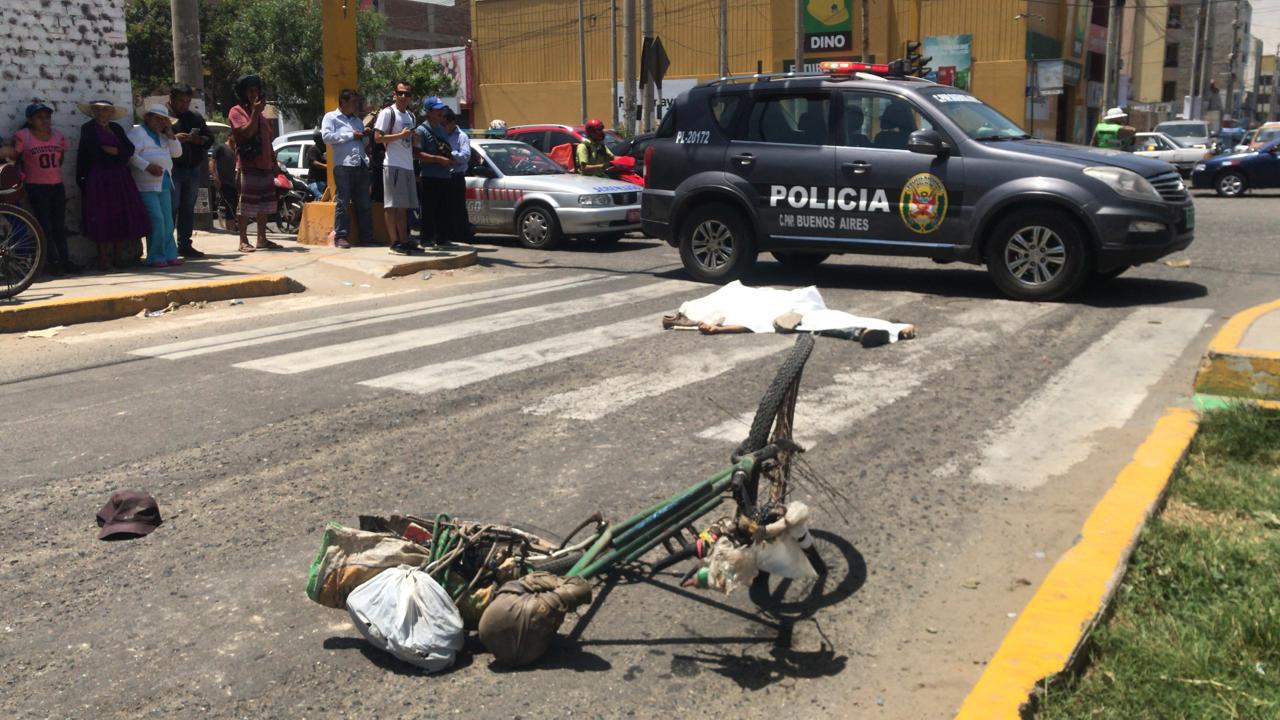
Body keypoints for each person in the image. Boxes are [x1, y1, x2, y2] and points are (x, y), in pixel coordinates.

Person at [75, 99, 149, 271]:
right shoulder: (88, 129)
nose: (102, 114)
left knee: (120, 214)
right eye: (98, 110)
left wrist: (116, 151)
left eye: (106, 110)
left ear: (111, 113)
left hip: (120, 177)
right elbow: (95, 152)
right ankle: (103, 259)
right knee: (102, 215)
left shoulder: (116, 129)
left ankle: (118, 256)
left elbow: (128, 149)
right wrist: (117, 154)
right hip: (99, 177)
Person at [13, 102, 80, 275]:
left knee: (59, 225)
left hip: (56, 185)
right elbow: (15, 158)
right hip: (36, 186)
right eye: (39, 117)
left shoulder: (57, 135)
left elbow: (60, 159)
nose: (44, 121)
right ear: (30, 120)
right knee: (45, 226)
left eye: (47, 117)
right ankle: (53, 261)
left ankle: (65, 260)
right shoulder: (23, 136)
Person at [228, 74, 284, 253]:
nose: (255, 93)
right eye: (251, 90)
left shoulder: (260, 115)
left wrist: (274, 163)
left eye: (257, 90)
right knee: (246, 204)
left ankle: (262, 239)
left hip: (265, 166)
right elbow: (247, 133)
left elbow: (267, 140)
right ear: (244, 93)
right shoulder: (236, 111)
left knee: (264, 205)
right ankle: (243, 241)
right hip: (248, 165)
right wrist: (255, 112)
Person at [127, 105, 184, 268]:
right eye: (157, 118)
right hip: (145, 185)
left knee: (167, 222)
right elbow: (131, 154)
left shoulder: (164, 136)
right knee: (157, 220)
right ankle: (155, 256)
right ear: (148, 118)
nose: (160, 122)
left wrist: (171, 134)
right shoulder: (137, 133)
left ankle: (170, 254)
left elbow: (177, 153)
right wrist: (148, 166)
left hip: (164, 183)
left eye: (163, 119)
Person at [320, 89, 373, 249]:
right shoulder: (331, 117)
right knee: (343, 202)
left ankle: (367, 237)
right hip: (343, 165)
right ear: (343, 102)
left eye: (357, 102)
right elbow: (326, 137)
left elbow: (362, 144)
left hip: (360, 163)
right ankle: (341, 236)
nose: (356, 105)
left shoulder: (357, 120)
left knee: (363, 202)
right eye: (353, 102)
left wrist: (364, 135)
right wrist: (351, 136)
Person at [374, 81, 420, 256]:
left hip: (407, 165)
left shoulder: (411, 116)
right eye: (400, 93)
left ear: (410, 97)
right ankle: (394, 242)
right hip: (392, 163)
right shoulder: (388, 113)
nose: (403, 97)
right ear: (394, 94)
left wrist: (414, 138)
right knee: (391, 205)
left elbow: (413, 142)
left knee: (403, 207)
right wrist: (400, 135)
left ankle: (404, 240)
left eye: (406, 94)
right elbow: (378, 138)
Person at [168, 84, 213, 258]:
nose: (184, 105)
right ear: (172, 99)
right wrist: (174, 138)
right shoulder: (163, 116)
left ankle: (185, 244)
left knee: (187, 208)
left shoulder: (194, 117)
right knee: (172, 208)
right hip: (173, 169)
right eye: (181, 101)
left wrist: (198, 140)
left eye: (187, 101)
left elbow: (210, 138)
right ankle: (167, 245)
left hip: (192, 168)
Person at [413, 96, 454, 248]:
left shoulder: (442, 129)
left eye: (441, 109)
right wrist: (438, 159)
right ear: (429, 112)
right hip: (430, 177)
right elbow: (416, 154)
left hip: (444, 175)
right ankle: (427, 239)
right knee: (429, 210)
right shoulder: (420, 131)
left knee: (444, 209)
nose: (441, 112)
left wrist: (450, 159)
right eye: (437, 110)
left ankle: (442, 238)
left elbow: (446, 149)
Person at [443, 108, 473, 246]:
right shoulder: (441, 135)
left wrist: (451, 154)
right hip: (443, 177)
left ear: (453, 122)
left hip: (456, 177)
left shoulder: (461, 136)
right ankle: (447, 237)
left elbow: (465, 156)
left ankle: (462, 238)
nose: (444, 127)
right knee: (445, 210)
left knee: (458, 209)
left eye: (446, 124)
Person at [209, 135, 239, 234]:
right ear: (230, 136)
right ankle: (231, 230)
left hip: (233, 183)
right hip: (223, 182)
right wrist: (215, 178)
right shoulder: (221, 148)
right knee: (229, 206)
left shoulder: (235, 150)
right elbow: (212, 162)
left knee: (234, 206)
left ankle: (231, 229)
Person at [305, 129, 327, 199]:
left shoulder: (326, 148)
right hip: (314, 181)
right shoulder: (313, 149)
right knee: (321, 198)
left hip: (325, 180)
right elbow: (314, 162)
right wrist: (326, 166)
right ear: (316, 140)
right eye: (319, 138)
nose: (322, 140)